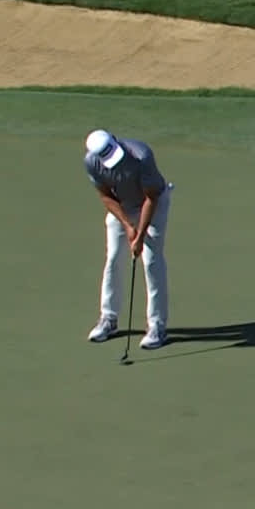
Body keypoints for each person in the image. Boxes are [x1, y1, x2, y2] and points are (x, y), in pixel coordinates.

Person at [83, 129, 173, 349]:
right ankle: (108, 319)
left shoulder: (141, 156)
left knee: (151, 261)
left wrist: (140, 235)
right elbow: (105, 195)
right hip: (123, 207)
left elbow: (151, 198)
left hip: (153, 204)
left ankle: (157, 326)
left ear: (116, 140)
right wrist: (127, 225)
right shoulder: (92, 162)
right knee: (113, 258)